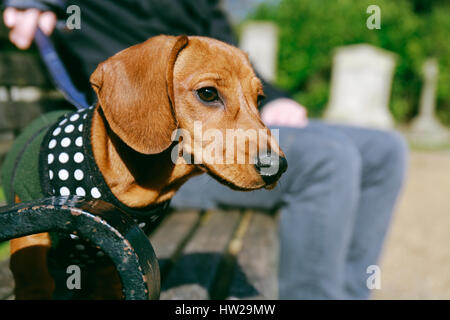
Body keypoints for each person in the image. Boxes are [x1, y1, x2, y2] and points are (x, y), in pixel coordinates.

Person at [2, 0, 407, 299]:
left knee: (385, 149)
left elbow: (231, 63)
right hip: (150, 143)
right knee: (328, 158)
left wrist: (273, 97)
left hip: (222, 113)